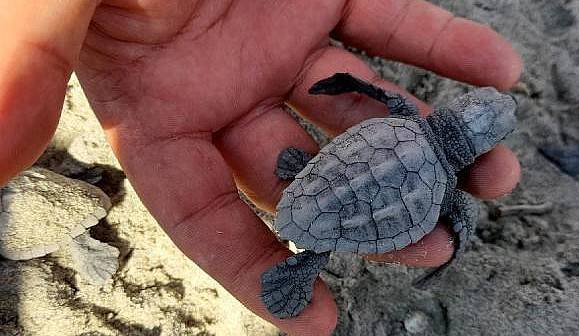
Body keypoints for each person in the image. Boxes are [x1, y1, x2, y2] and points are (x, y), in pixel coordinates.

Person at [0, 1, 522, 335]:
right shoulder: (445, 190)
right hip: (364, 204)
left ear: (458, 111)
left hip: (317, 180)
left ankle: (301, 193)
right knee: (429, 234)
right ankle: (307, 250)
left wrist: (343, 85)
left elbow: (366, 90)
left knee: (341, 178)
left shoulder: (407, 120)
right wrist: (452, 255)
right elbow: (458, 221)